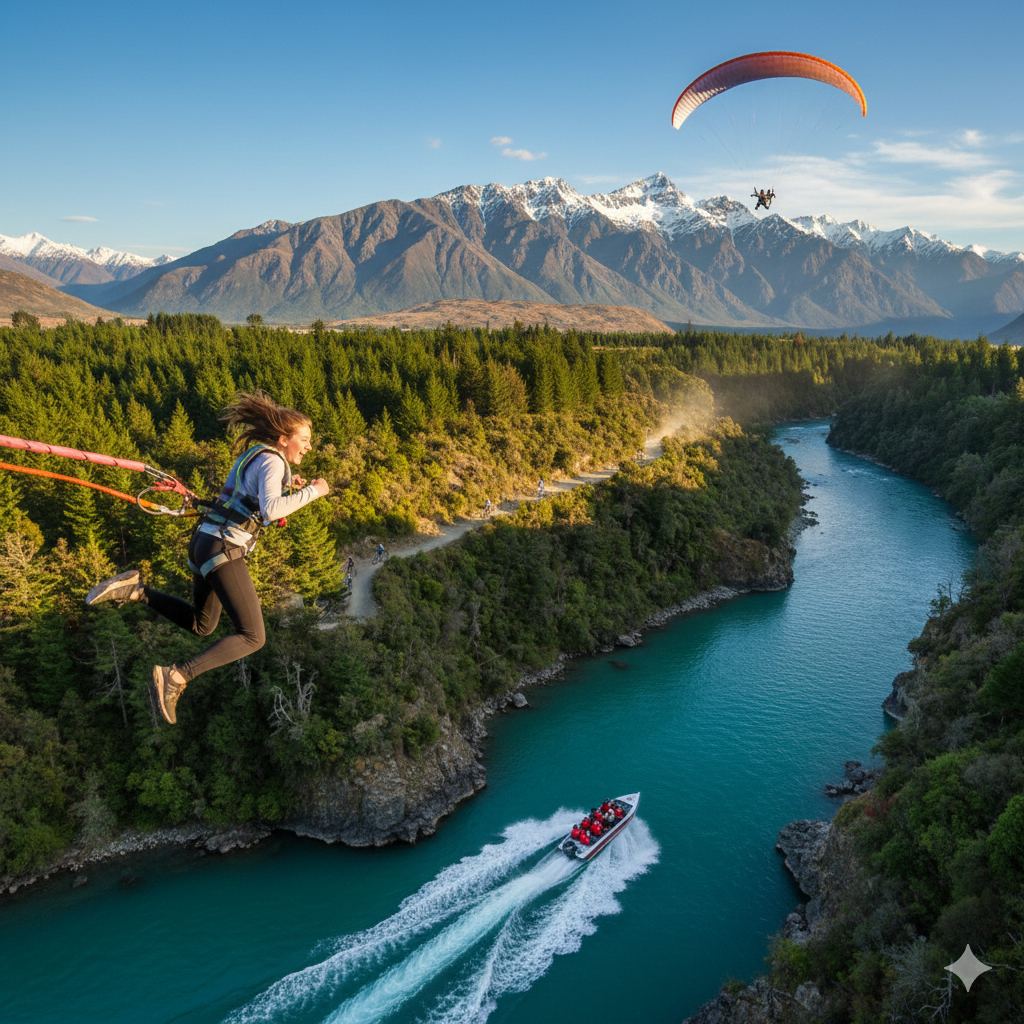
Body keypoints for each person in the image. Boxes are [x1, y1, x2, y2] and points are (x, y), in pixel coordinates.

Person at [85, 391, 329, 726]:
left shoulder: (257, 456)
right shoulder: (273, 461)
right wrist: (314, 491)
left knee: (203, 624)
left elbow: (257, 499)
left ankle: (138, 590)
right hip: (223, 549)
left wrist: (291, 487)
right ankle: (177, 676)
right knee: (254, 636)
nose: (309, 446)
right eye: (304, 440)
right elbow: (271, 511)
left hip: (204, 544)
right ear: (283, 439)